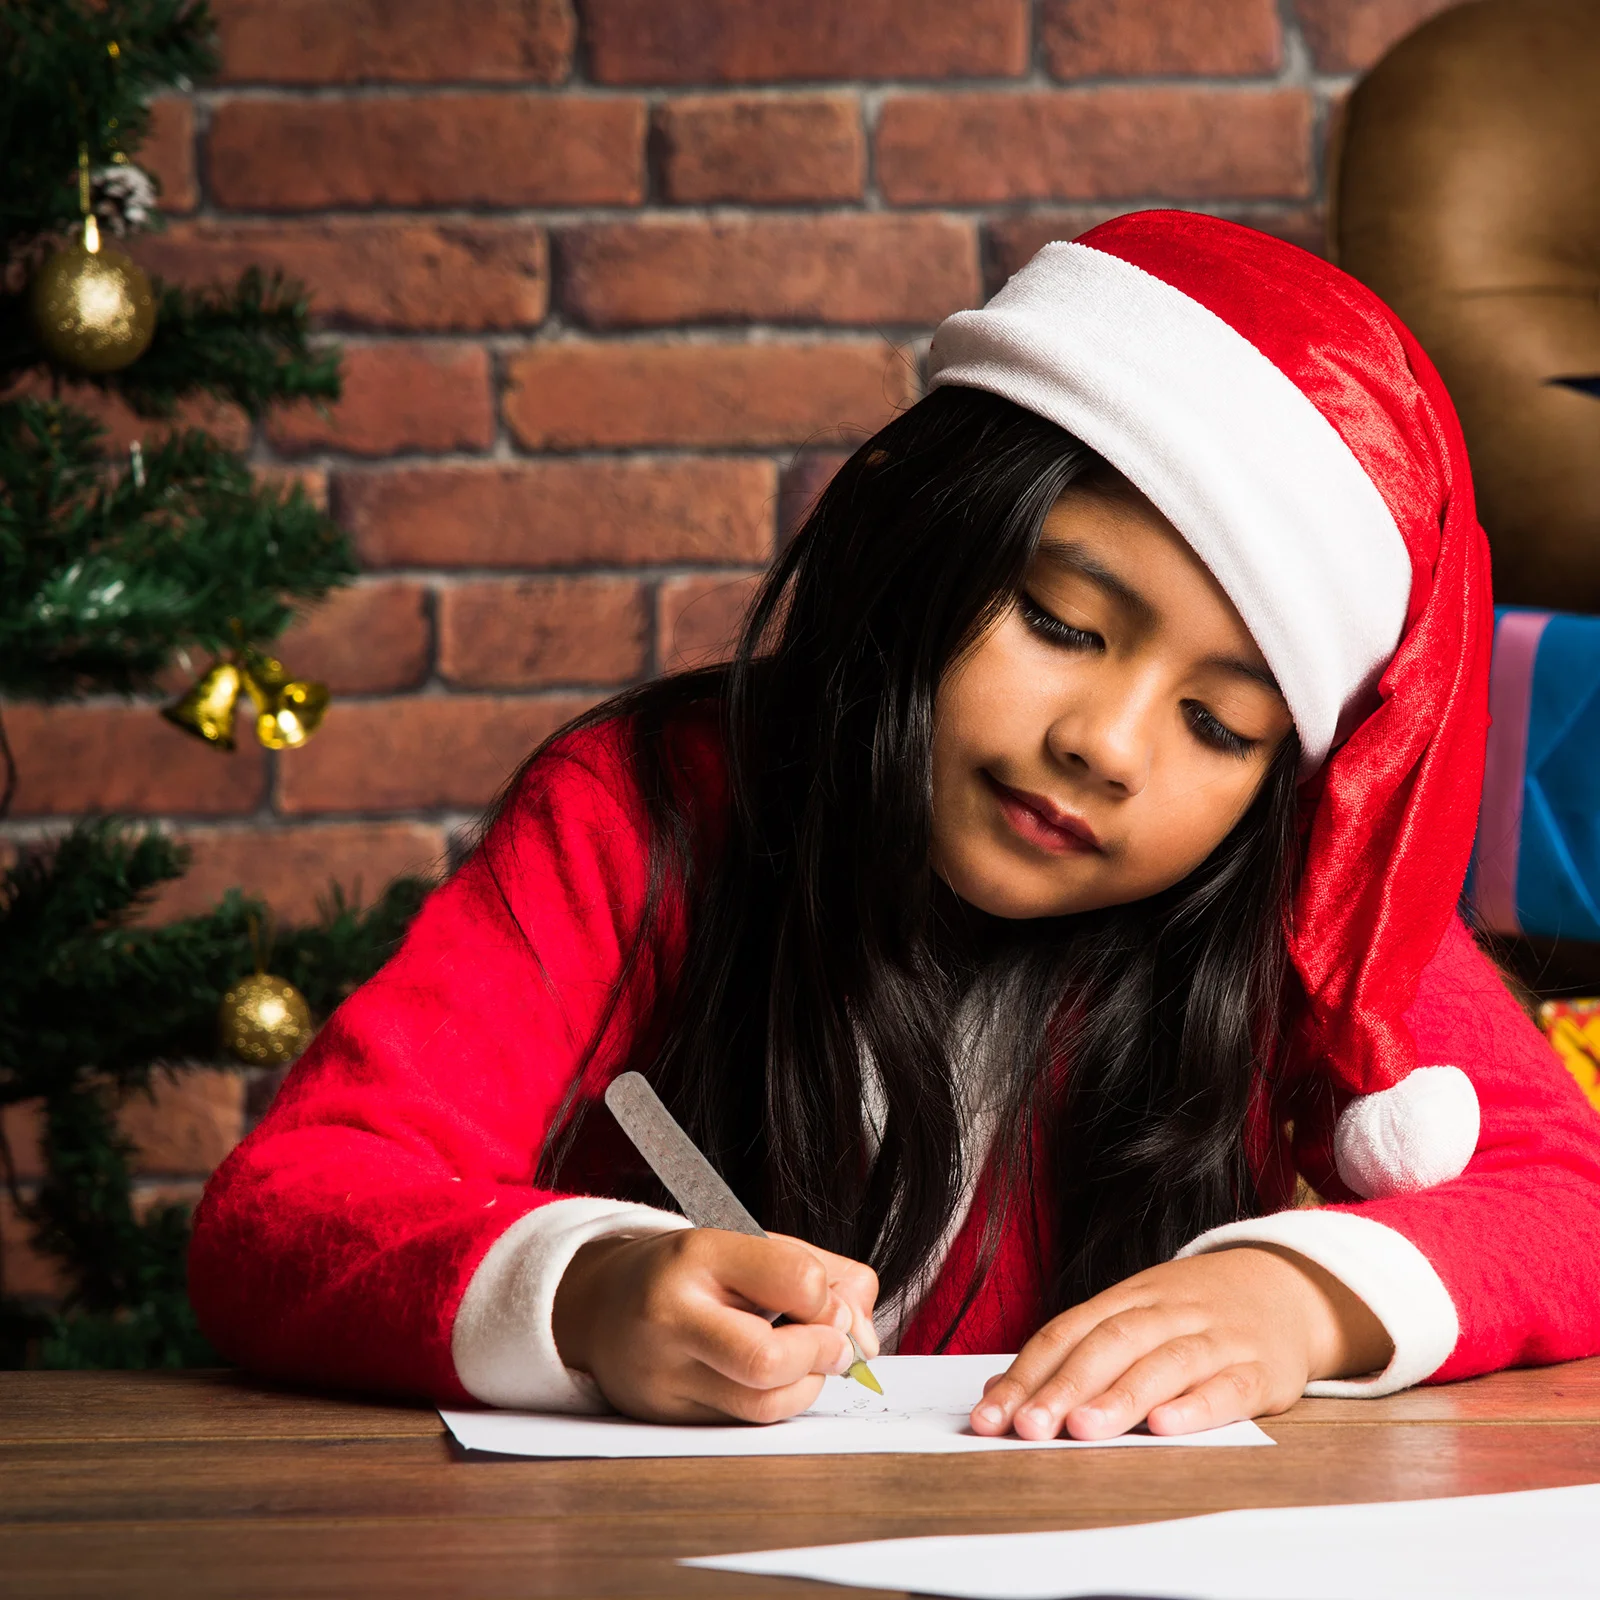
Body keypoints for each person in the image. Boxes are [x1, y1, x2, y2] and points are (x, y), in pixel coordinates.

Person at [189, 212, 1600, 1441]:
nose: (1103, 747)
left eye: (1220, 727)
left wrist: (1294, 1300)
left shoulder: (1294, 906)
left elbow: (1572, 1203)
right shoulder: (643, 809)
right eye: (1061, 622)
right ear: (919, 543)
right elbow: (284, 1207)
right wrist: (585, 1292)